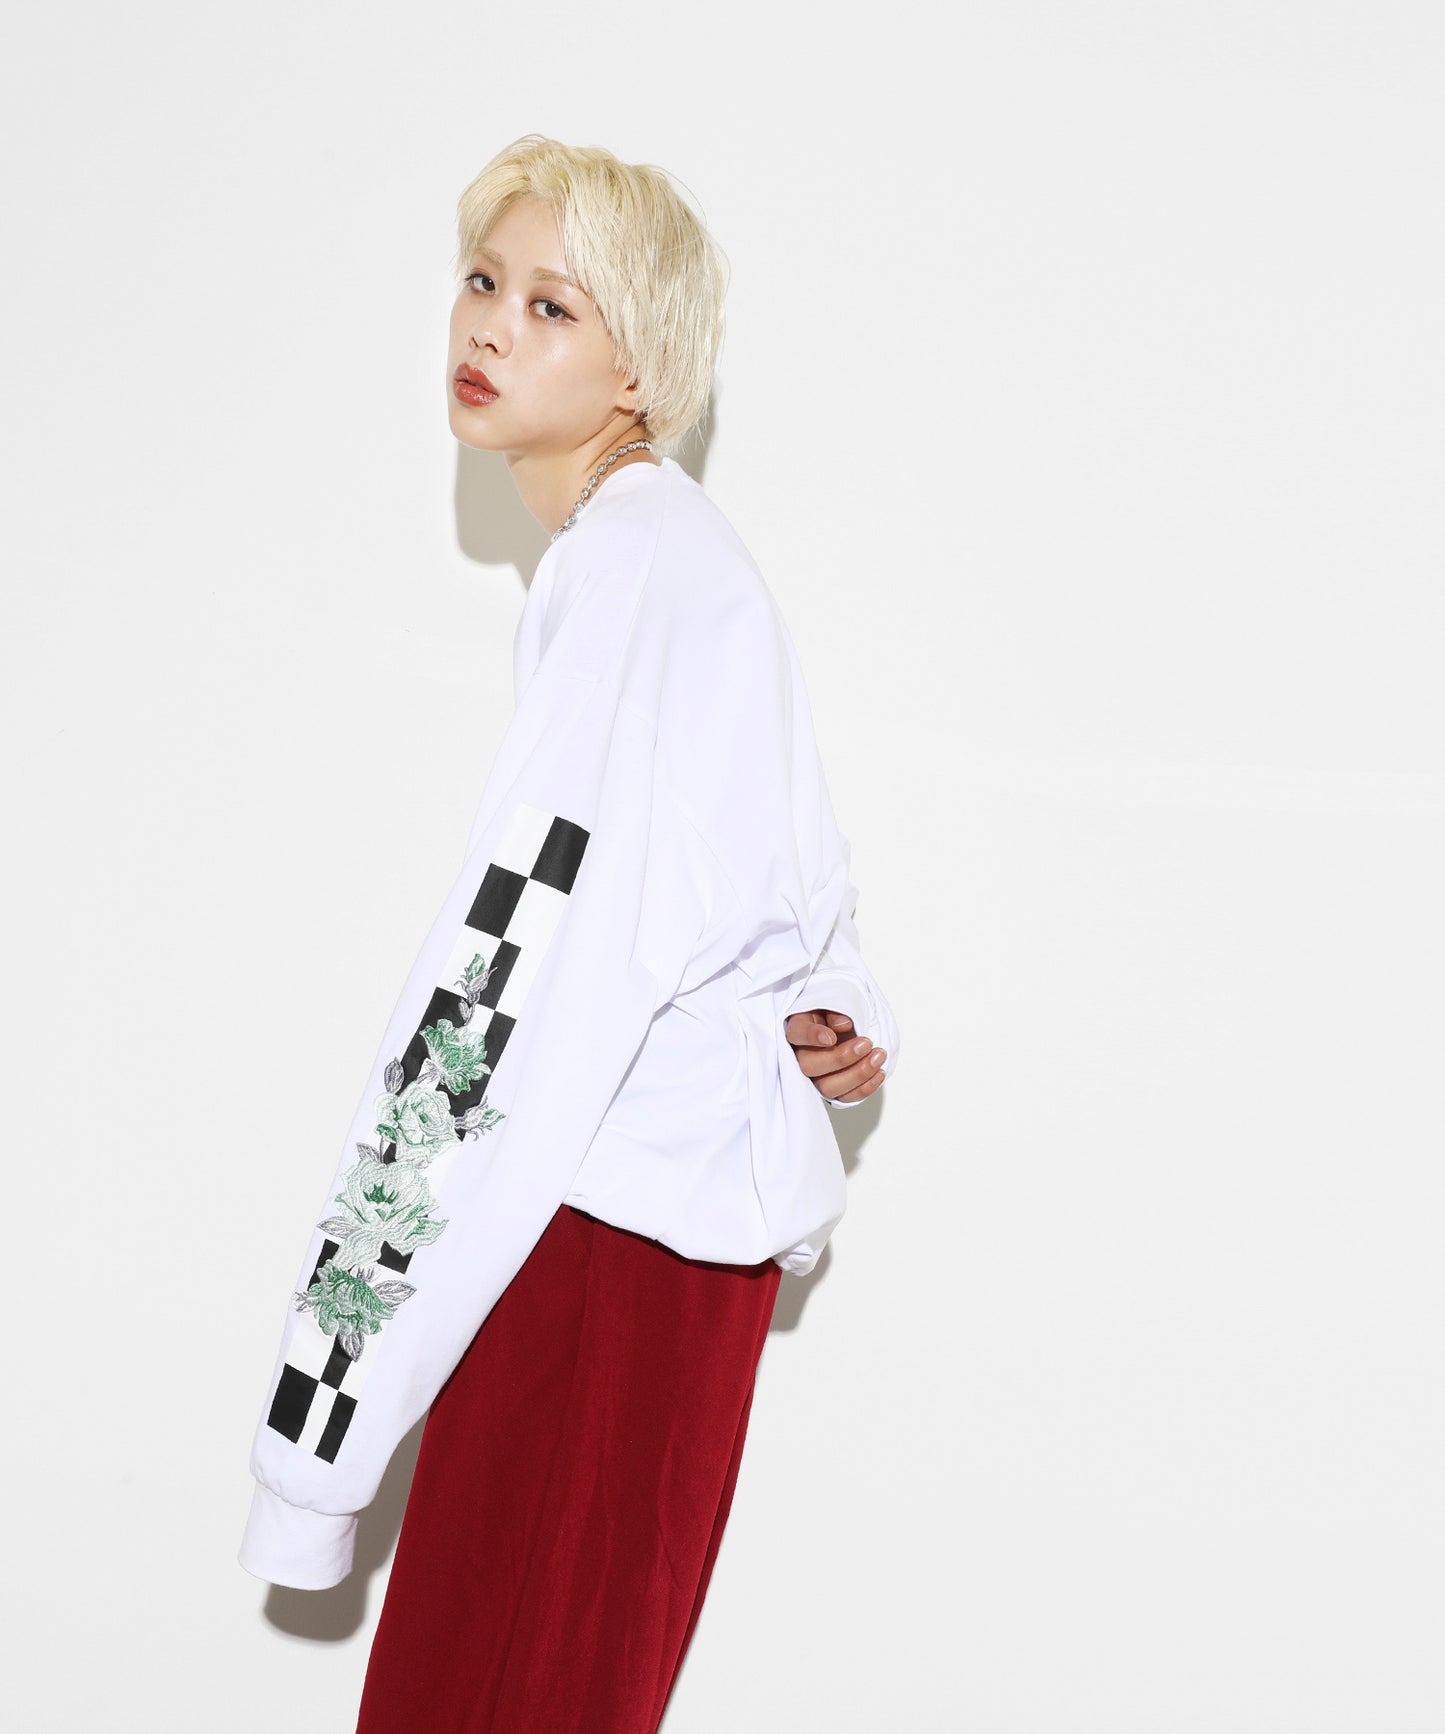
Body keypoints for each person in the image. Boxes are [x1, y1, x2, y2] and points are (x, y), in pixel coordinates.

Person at [238, 134, 900, 1734]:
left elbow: (503, 978)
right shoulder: (683, 562)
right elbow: (794, 877)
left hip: (594, 1241)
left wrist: (319, 1424)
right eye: (482, 280)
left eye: (551, 304)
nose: (489, 323)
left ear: (636, 368)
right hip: (670, 1250)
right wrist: (823, 1008)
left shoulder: (626, 571)